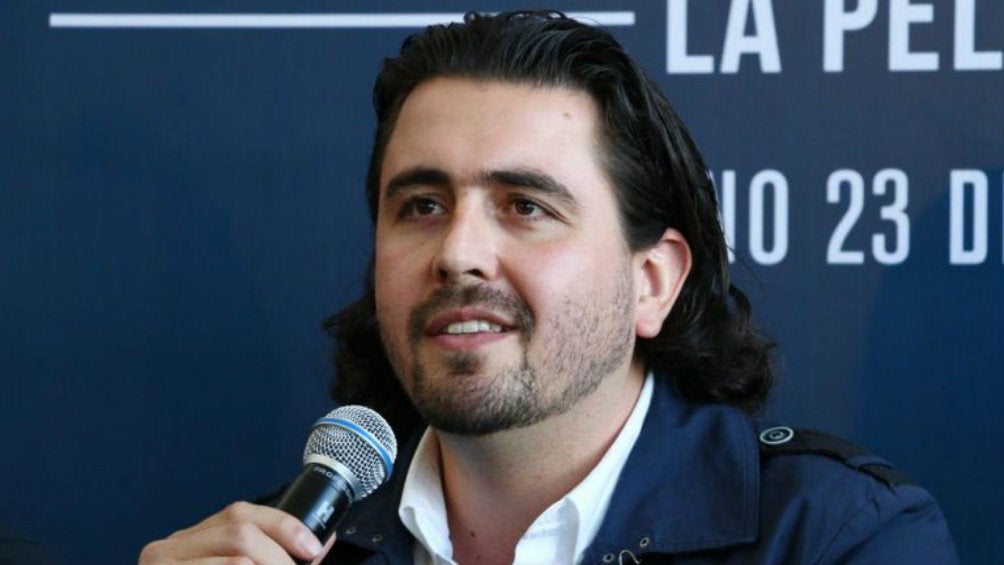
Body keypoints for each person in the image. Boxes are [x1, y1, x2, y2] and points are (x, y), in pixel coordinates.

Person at [139, 10, 959, 565]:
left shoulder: (838, 538)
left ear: (652, 281)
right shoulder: (284, 547)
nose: (459, 252)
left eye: (525, 207)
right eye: (421, 205)